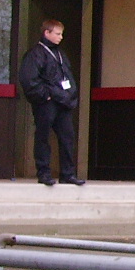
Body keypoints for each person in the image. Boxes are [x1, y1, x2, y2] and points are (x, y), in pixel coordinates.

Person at [18, 19, 85, 186]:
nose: (60, 37)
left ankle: (67, 174)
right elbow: (29, 80)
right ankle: (44, 173)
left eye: (61, 34)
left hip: (63, 102)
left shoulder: (61, 54)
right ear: (47, 33)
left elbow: (68, 77)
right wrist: (45, 96)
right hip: (46, 102)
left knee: (67, 137)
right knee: (43, 137)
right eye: (57, 33)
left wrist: (70, 96)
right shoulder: (35, 54)